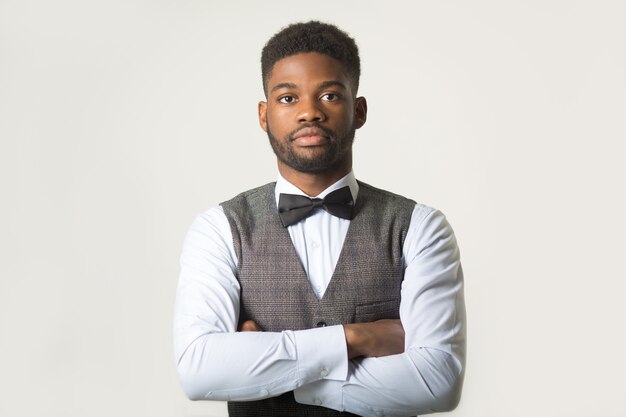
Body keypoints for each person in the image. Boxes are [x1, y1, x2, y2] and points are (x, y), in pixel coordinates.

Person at [174, 21, 466, 417]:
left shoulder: (420, 227)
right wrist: (355, 339)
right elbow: (198, 372)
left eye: (329, 95)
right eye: (288, 98)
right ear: (264, 115)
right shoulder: (219, 229)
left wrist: (265, 372)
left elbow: (438, 382)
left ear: (358, 110)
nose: (309, 112)